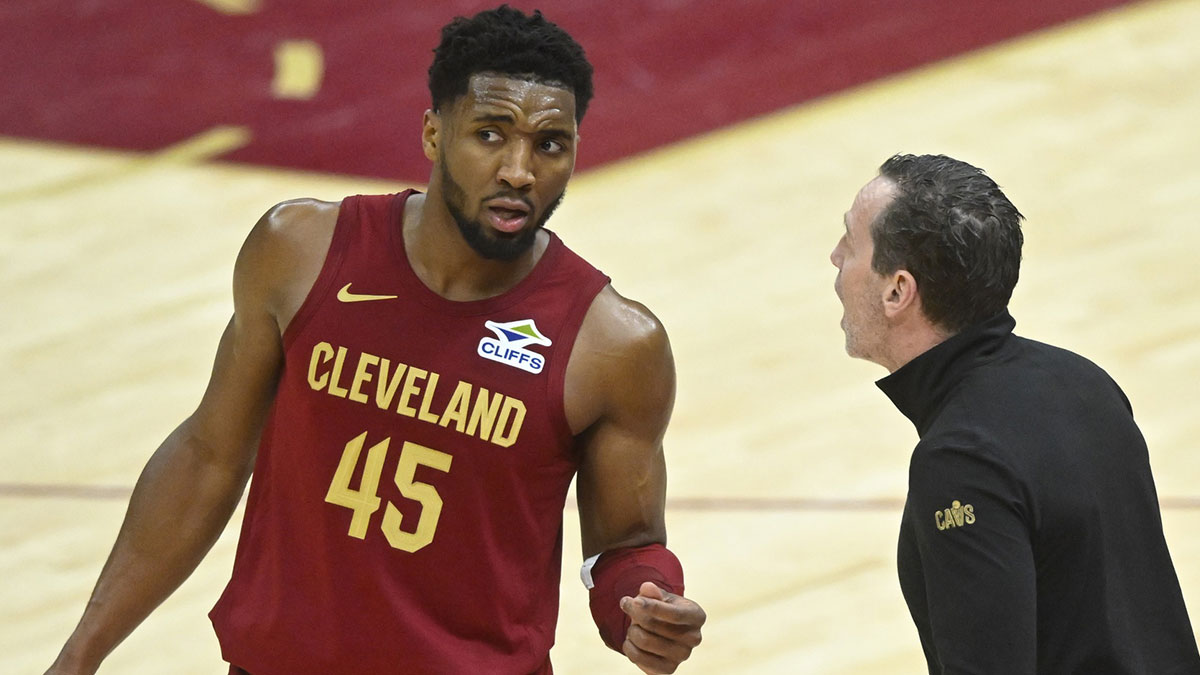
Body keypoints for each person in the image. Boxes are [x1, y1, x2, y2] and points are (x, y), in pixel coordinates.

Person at [47, 6, 705, 674]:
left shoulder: (614, 345)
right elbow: (208, 457)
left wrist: (643, 606)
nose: (518, 170)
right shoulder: (300, 250)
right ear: (432, 133)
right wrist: (80, 654)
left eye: (550, 144)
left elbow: (626, 548)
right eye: (490, 134)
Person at [830, 153, 1200, 673]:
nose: (834, 256)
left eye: (850, 242)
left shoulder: (961, 459)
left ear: (898, 291)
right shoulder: (1082, 380)